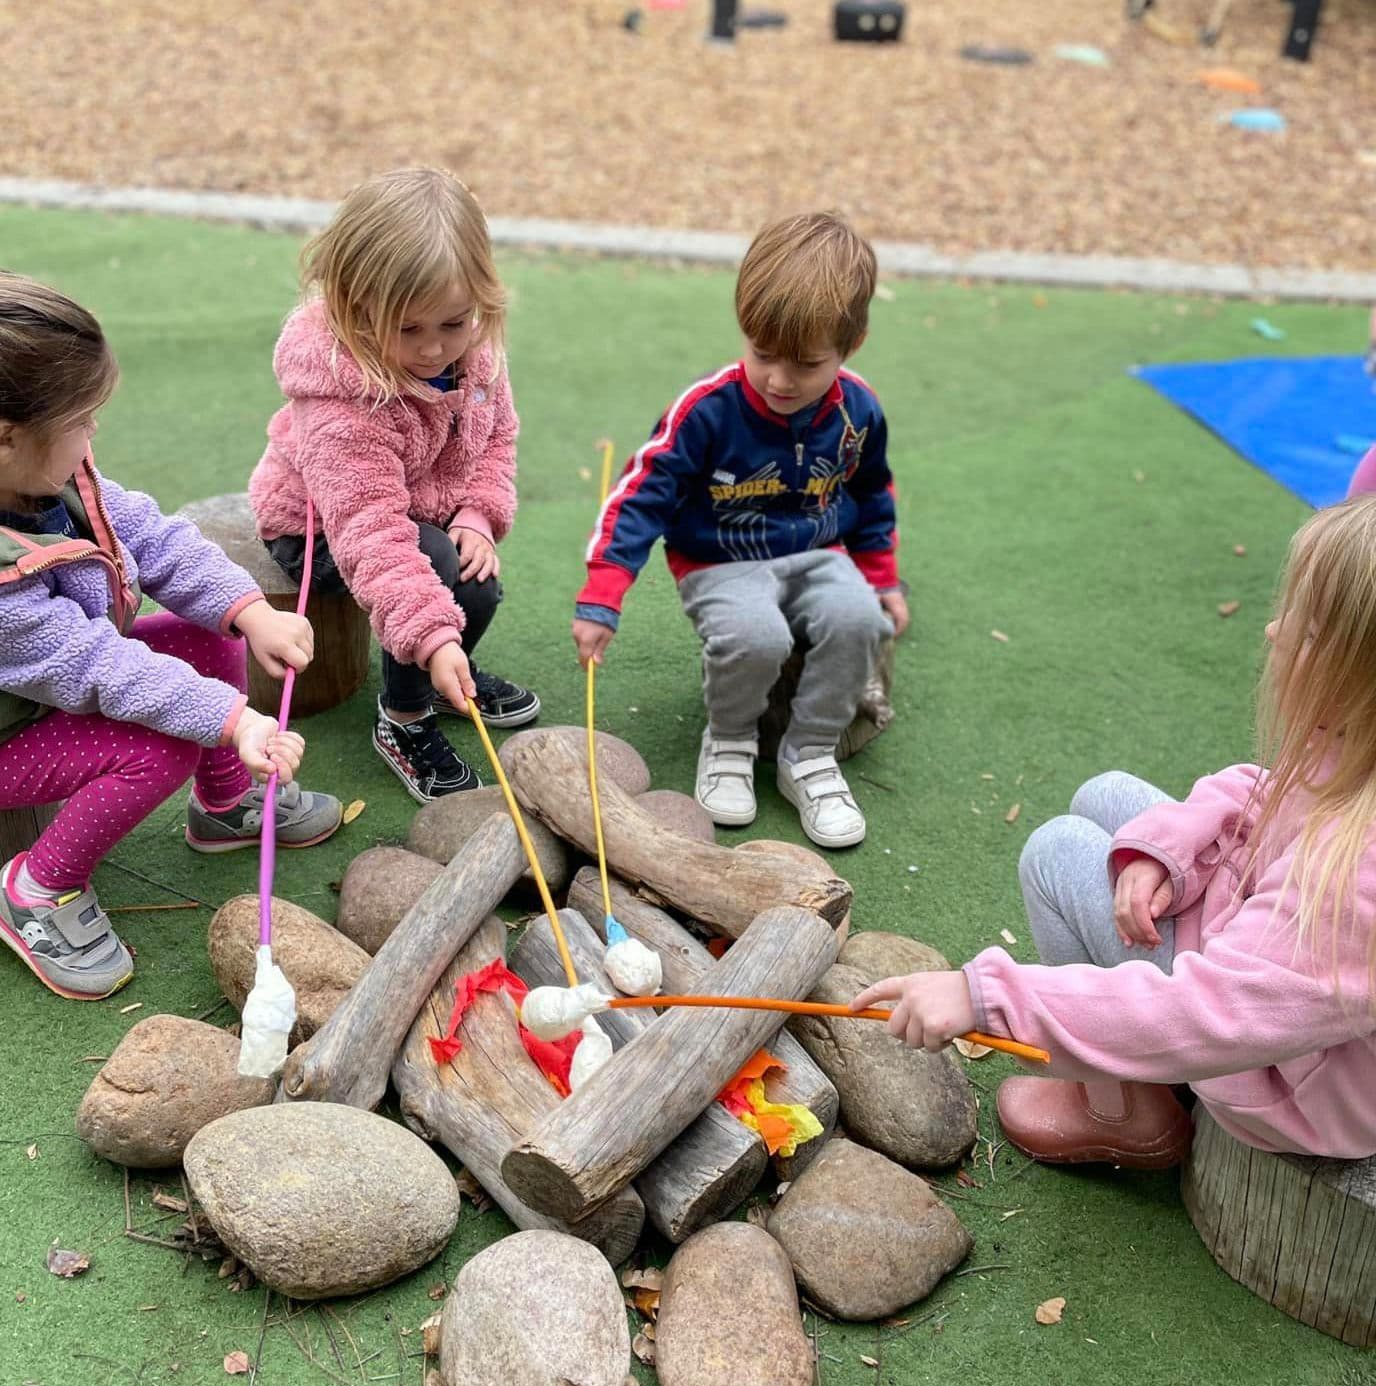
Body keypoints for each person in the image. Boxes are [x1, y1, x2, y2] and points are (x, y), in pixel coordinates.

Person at [0, 271, 342, 1001]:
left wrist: (245, 610)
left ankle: (226, 807)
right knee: (159, 744)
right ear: (5, 440)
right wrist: (232, 719)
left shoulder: (45, 473)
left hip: (45, 690)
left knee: (208, 643)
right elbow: (95, 663)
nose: (93, 433)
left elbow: (151, 534)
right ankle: (38, 891)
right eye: (82, 418)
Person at [853, 494, 1376, 1166]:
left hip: (1289, 1083)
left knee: (1055, 854)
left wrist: (987, 996)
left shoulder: (1354, 875)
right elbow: (1266, 791)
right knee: (1105, 796)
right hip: (1272, 967)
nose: (1274, 631)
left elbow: (1207, 1013)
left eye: (1306, 634)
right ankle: (1128, 1062)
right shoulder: (1355, 745)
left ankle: (1120, 1110)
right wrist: (1167, 851)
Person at [571, 211, 906, 849]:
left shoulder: (858, 407)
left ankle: (808, 752)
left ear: (850, 347)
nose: (780, 380)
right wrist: (604, 592)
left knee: (859, 620)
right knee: (755, 636)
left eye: (806, 365)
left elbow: (872, 490)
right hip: (718, 562)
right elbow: (640, 496)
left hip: (818, 552)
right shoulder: (706, 410)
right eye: (763, 355)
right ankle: (729, 737)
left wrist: (883, 579)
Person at [251, 166, 538, 804]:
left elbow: (497, 438)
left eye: (453, 323)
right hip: (322, 530)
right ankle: (403, 718)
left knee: (475, 579)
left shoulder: (476, 351)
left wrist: (478, 515)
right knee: (435, 573)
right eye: (408, 329)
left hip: (423, 514)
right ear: (357, 309)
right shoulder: (341, 402)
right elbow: (371, 533)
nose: (435, 349)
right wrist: (431, 633)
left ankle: (444, 671)